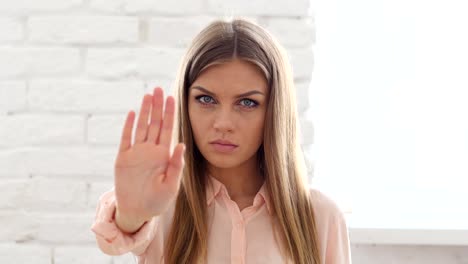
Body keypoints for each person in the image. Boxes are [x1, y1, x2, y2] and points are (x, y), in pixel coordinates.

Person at [91, 18, 352, 264]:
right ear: (186, 103)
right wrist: (131, 215)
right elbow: (114, 236)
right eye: (206, 99)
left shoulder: (321, 217)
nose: (223, 123)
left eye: (247, 102)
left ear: (274, 111)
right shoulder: (161, 205)